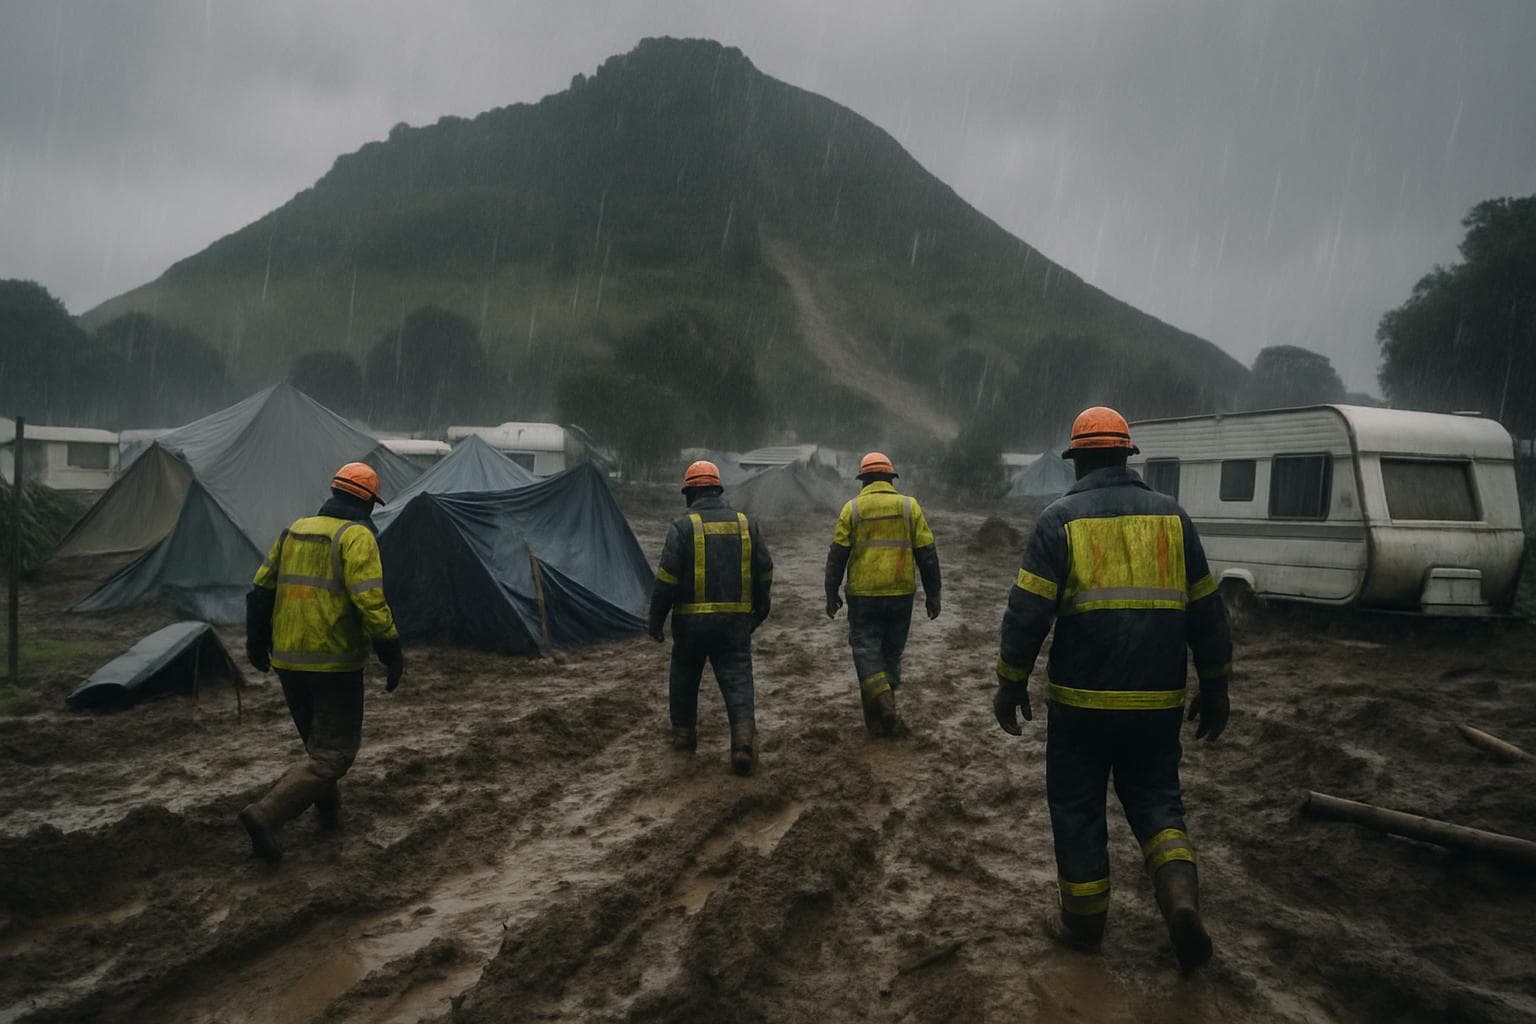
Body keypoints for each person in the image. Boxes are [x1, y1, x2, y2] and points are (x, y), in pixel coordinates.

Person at [991, 407, 1232, 970]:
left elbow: (1027, 614)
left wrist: (1010, 682)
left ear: (1078, 462)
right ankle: (1179, 901)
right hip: (1156, 705)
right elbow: (1208, 613)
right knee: (1156, 801)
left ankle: (1083, 927)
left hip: (1081, 706)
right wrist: (1216, 685)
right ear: (1127, 456)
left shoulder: (1060, 520)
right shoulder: (1174, 520)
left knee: (1077, 809)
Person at [240, 462, 405, 861]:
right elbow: (370, 601)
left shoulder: (295, 529)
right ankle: (266, 815)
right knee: (334, 754)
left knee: (318, 746)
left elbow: (260, 589)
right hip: (333, 664)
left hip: (288, 660)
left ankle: (329, 814)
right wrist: (390, 650)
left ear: (333, 493)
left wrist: (256, 641)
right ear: (367, 501)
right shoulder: (357, 537)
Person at [649, 460, 773, 775]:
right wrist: (760, 609)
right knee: (738, 680)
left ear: (690, 493)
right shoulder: (747, 524)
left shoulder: (681, 527)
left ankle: (683, 737)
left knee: (684, 678)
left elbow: (666, 579)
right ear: (718, 490)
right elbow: (765, 569)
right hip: (734, 625)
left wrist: (656, 619)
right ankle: (743, 744)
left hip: (690, 625)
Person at [824, 452, 941, 737]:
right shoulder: (909, 506)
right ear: (891, 479)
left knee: (866, 653)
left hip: (863, 596)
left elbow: (837, 555)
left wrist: (831, 591)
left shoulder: (851, 509)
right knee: (889, 655)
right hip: (901, 594)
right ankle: (879, 725)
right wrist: (933, 593)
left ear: (863, 481)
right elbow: (927, 554)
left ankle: (884, 706)